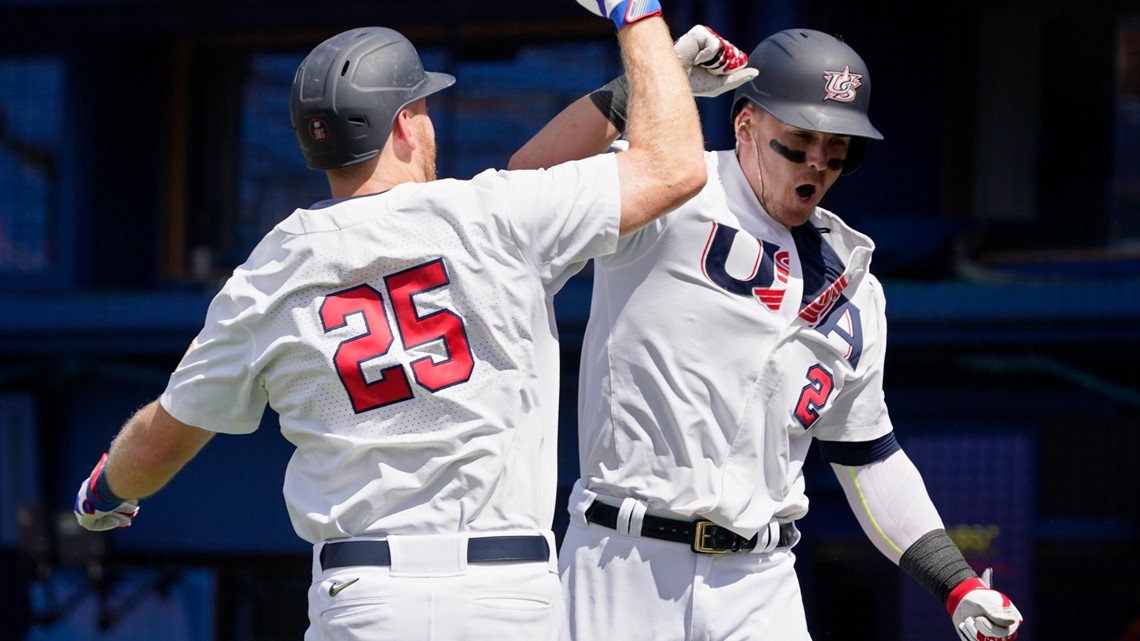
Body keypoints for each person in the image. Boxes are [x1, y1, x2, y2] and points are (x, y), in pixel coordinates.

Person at [69, 2, 729, 639]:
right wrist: (636, 17)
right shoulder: (494, 217)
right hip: (504, 591)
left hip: (365, 597)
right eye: (423, 108)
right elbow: (670, 168)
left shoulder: (270, 270)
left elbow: (160, 440)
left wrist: (105, 490)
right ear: (408, 123)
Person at [509, 27, 1025, 641]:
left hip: (761, 578)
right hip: (624, 561)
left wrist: (956, 581)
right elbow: (526, 183)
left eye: (838, 147)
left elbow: (868, 457)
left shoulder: (857, 288)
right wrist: (638, 89)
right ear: (746, 125)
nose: (818, 162)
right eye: (800, 139)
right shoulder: (672, 188)